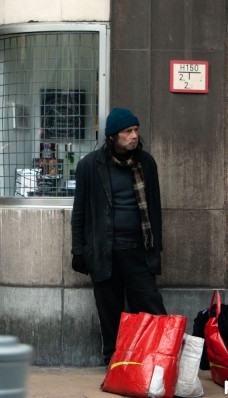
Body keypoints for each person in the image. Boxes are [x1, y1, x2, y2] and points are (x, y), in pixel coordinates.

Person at [71, 108, 167, 365]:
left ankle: (158, 362)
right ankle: (114, 364)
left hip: (138, 251)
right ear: (113, 136)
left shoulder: (146, 163)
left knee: (152, 308)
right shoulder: (90, 166)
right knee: (110, 314)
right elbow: (79, 212)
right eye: (128, 132)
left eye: (136, 130)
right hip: (105, 252)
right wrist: (78, 251)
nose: (134, 136)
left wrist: (155, 248)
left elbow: (155, 208)